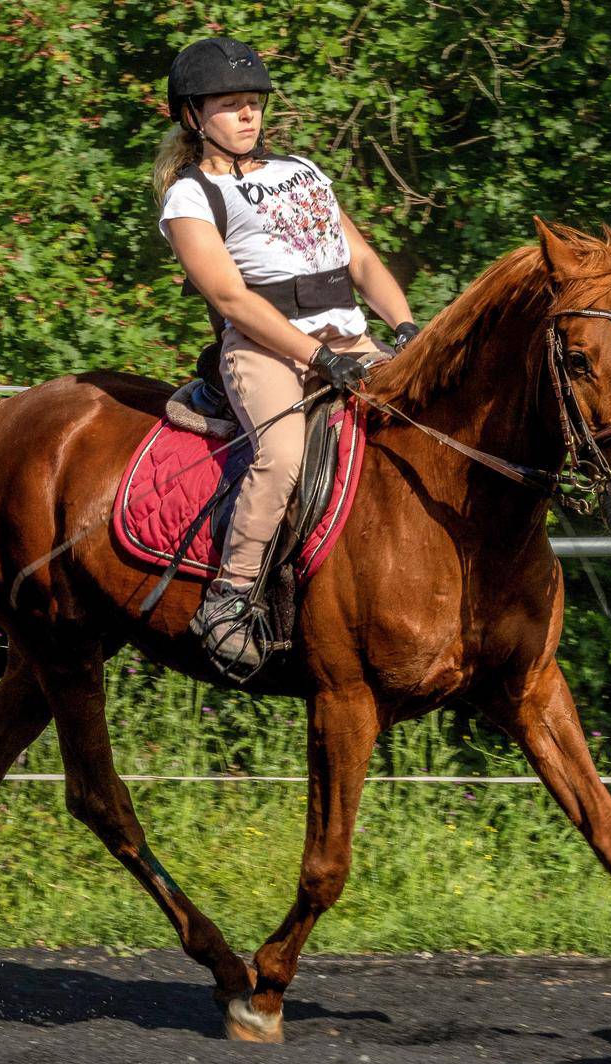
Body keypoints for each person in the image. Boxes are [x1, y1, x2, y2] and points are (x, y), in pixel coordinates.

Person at [152, 36, 420, 677]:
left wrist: (407, 328)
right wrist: (316, 359)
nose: (248, 115)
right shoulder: (191, 196)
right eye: (231, 104)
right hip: (265, 349)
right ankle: (231, 597)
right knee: (282, 457)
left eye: (254, 103)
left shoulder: (302, 172)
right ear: (193, 115)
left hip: (351, 337)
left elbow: (361, 260)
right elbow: (228, 296)